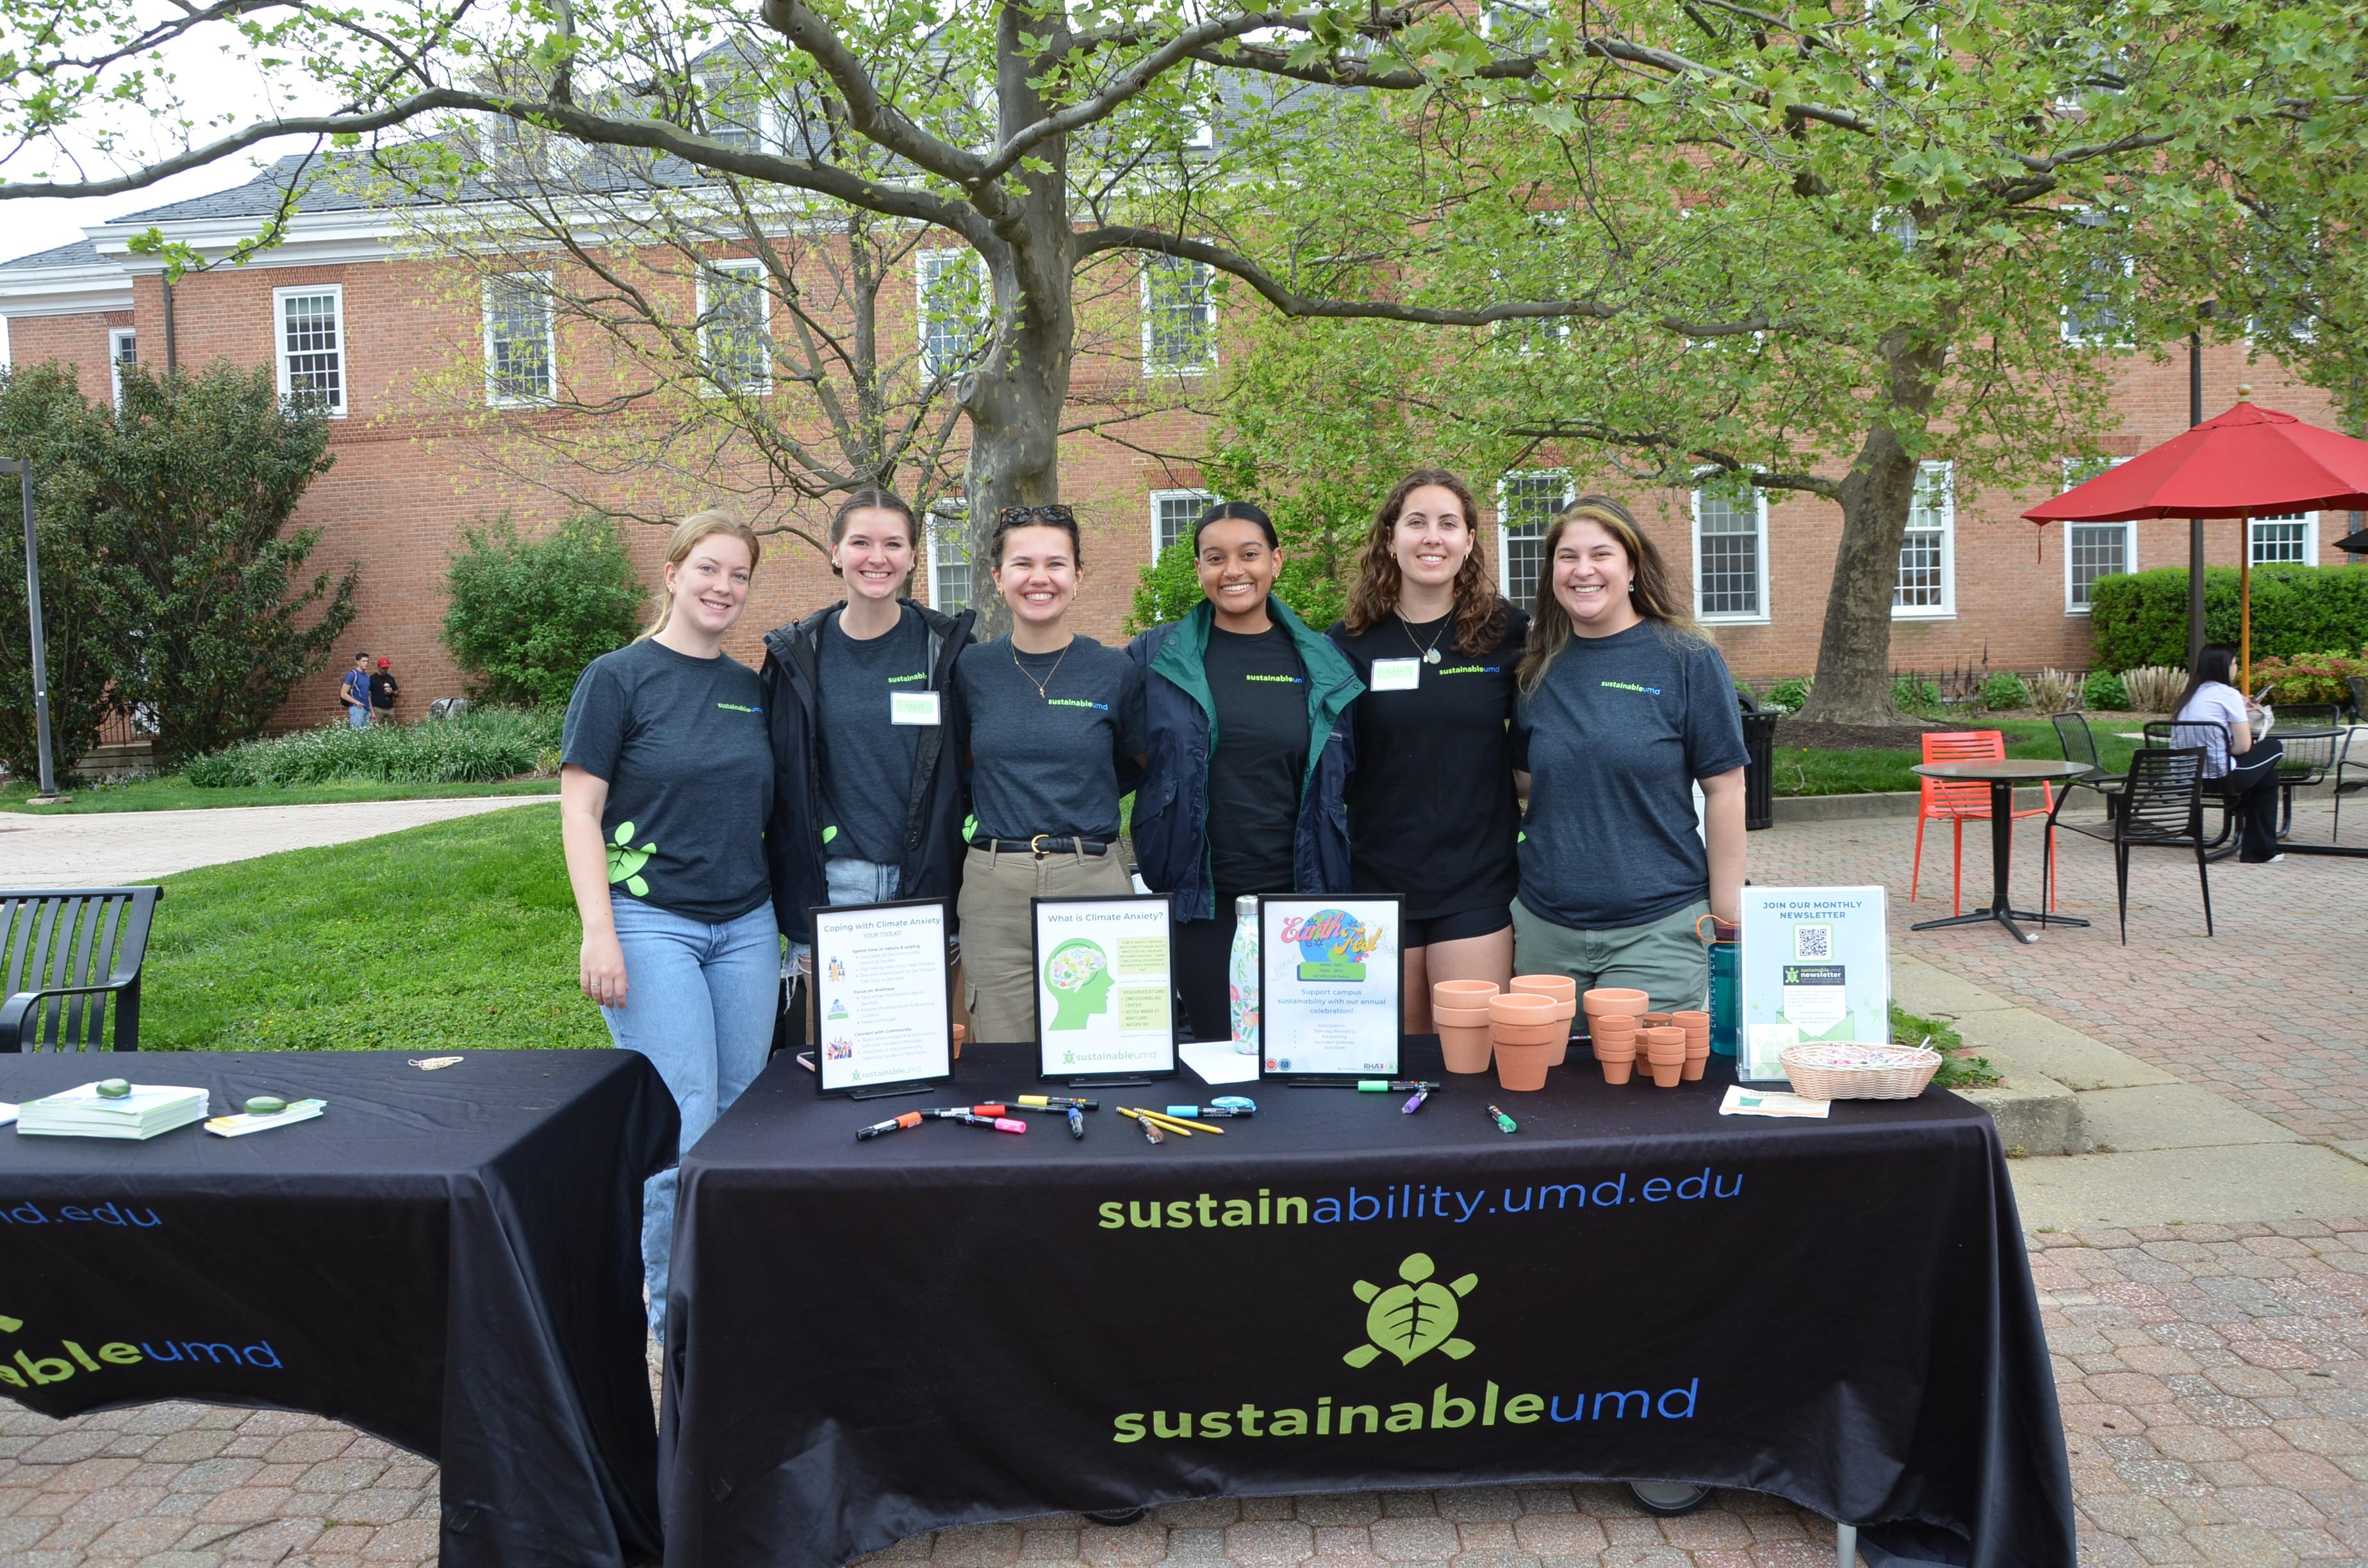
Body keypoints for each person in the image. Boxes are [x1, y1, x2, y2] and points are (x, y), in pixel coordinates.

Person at [559, 507, 775, 1340]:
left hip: (747, 926)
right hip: (652, 925)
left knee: (738, 1108)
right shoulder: (618, 678)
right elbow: (580, 810)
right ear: (673, 573)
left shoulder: (749, 690)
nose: (723, 586)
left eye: (738, 574)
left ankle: (724, 1282)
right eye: (709, 569)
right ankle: (669, 1311)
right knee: (679, 1111)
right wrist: (599, 929)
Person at [1131, 502, 1361, 1042]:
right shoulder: (1156, 658)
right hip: (1201, 904)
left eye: (1249, 555)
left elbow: (1350, 770)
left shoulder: (1322, 662)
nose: (1233, 571)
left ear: (1276, 561)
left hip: (1302, 899)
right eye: (1215, 558)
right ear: (1199, 570)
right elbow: (1122, 753)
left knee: (1302, 1058)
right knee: (1218, 1058)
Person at [1511, 496, 1748, 1013]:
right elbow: (1525, 781)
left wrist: (1727, 911)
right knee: (1545, 1090)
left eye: (1601, 554)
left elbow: (1726, 789)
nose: (1583, 570)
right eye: (1567, 557)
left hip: (1658, 930)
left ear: (1633, 566)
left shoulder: (1686, 657)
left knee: (1646, 1088)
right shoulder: (1536, 668)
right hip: (1544, 930)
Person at [1326, 471, 1528, 1033]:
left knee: (1467, 1066)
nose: (1432, 537)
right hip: (1376, 882)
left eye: (1448, 524)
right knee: (1396, 1071)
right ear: (1390, 539)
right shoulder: (1345, 644)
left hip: (1477, 882)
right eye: (1416, 523)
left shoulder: (1510, 634)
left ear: (1469, 541)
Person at [950, 504, 1145, 1045]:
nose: (1040, 578)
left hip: (1092, 876)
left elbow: (1139, 764)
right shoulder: (970, 670)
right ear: (998, 578)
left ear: (1078, 576)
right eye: (1022, 564)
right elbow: (961, 760)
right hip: (995, 884)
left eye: (1056, 564)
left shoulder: (1115, 670)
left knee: (1100, 1048)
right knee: (1002, 1054)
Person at [761, 489, 976, 972]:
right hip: (835, 887)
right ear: (835, 552)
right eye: (861, 542)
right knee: (833, 1046)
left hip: (931, 884)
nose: (877, 558)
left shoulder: (947, 650)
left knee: (928, 1043)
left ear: (913, 556)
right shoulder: (795, 657)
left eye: (894, 544)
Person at [2173, 642, 2285, 863]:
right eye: (2234, 663)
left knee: (2267, 778)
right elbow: (2243, 747)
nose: (2237, 667)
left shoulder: (2189, 695)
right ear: (2223, 667)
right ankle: (2257, 851)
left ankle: (2259, 848)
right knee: (2274, 747)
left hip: (2188, 777)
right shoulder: (2228, 695)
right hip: (2221, 778)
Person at [339, 654, 372, 728]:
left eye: (367, 661)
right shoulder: (352, 675)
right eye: (364, 661)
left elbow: (368, 695)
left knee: (366, 736)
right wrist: (357, 702)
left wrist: (372, 711)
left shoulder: (367, 676)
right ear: (357, 662)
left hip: (366, 709)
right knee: (356, 734)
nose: (366, 663)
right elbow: (343, 694)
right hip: (357, 708)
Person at [369, 657, 400, 721]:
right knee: (379, 728)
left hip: (390, 708)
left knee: (392, 729)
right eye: (383, 668)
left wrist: (391, 691)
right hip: (377, 708)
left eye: (387, 667)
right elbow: (368, 694)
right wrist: (372, 711)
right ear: (379, 667)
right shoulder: (372, 678)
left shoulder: (390, 678)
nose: (385, 669)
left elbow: (397, 693)